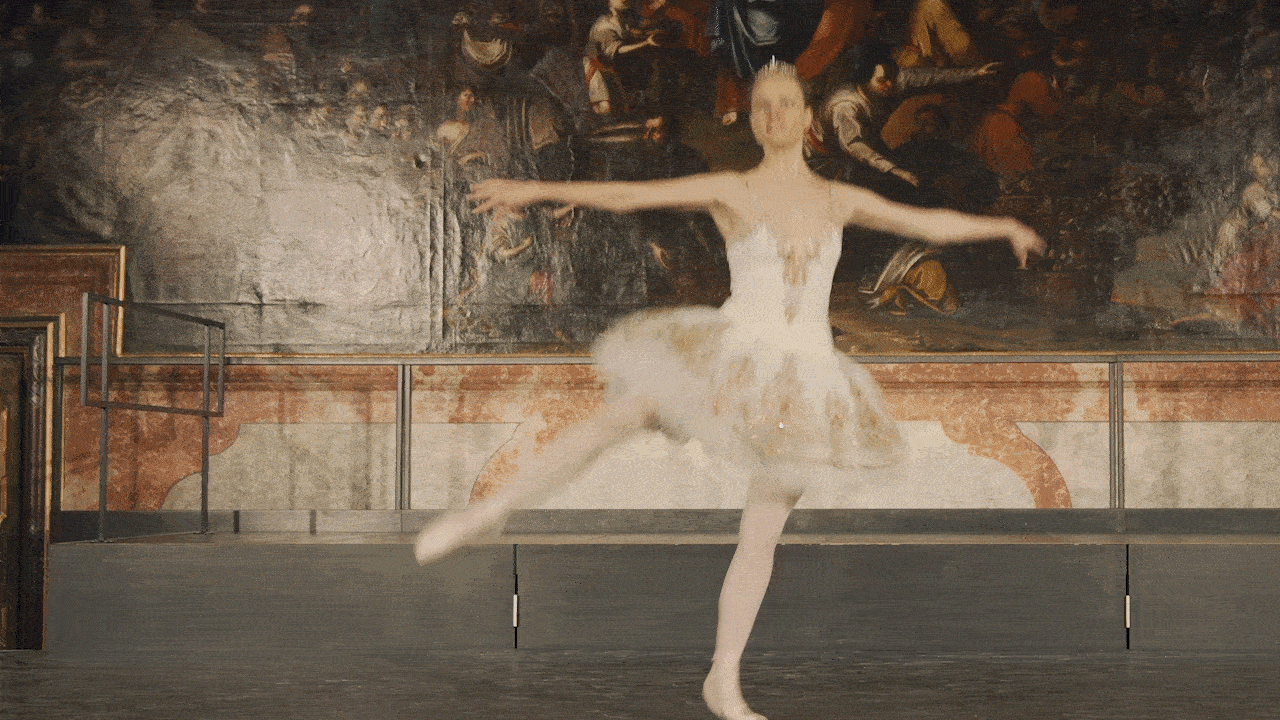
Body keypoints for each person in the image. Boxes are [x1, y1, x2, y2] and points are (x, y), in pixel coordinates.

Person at [414, 60, 1044, 720]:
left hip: (803, 377)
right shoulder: (732, 188)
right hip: (732, 352)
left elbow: (928, 223)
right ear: (753, 122)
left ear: (808, 119)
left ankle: (724, 679)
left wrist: (1003, 227)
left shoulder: (839, 199)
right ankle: (490, 512)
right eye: (763, 105)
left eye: (786, 104)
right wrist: (534, 189)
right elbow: (631, 196)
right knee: (620, 417)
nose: (774, 114)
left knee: (761, 532)